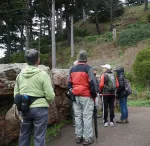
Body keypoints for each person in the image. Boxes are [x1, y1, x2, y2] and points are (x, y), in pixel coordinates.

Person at [14, 49, 55, 146]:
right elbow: (50, 94)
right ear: (38, 60)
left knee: (24, 135)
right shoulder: (43, 74)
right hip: (40, 109)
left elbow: (16, 94)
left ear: (26, 60)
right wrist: (49, 101)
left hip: (24, 109)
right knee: (39, 137)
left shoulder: (20, 75)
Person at [68, 50, 97, 145]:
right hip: (86, 96)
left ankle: (78, 136)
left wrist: (72, 92)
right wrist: (94, 95)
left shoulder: (72, 69)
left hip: (75, 96)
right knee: (87, 117)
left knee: (78, 116)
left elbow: (69, 84)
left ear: (78, 58)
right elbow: (92, 84)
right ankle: (87, 138)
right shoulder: (88, 68)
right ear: (86, 59)